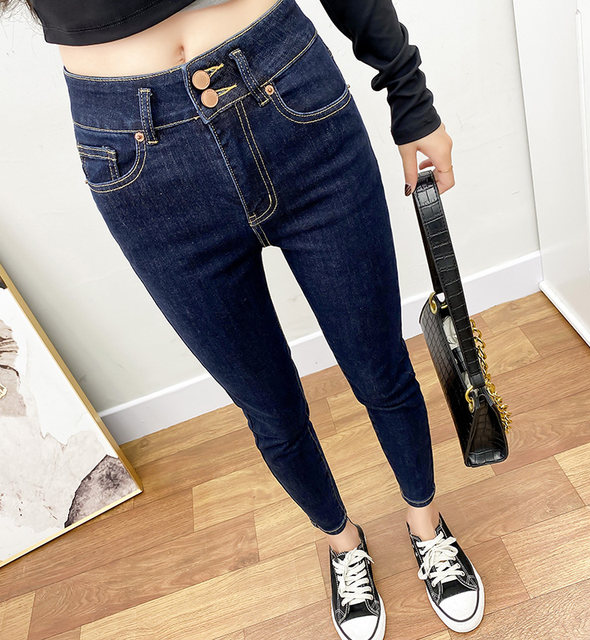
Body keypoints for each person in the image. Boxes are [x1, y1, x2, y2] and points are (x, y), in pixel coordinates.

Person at [1, 0, 484, 636]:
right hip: (134, 158)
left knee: (379, 366)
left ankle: (426, 524)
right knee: (270, 410)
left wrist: (409, 93)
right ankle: (342, 544)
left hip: (286, 92)